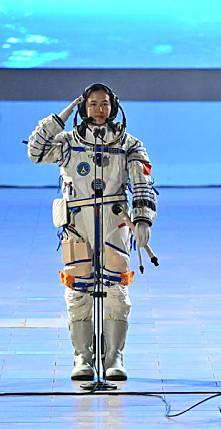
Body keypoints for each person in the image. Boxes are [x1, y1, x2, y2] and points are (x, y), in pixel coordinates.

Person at [27, 83, 157, 381]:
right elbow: (35, 152)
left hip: (114, 221)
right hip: (77, 222)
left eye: (105, 103)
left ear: (114, 106)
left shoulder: (129, 144)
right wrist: (60, 117)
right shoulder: (67, 143)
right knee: (78, 289)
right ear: (84, 107)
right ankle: (82, 356)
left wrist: (143, 219)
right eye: (93, 103)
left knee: (116, 290)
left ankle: (114, 357)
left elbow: (142, 182)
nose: (100, 109)